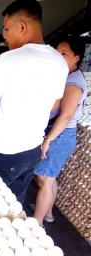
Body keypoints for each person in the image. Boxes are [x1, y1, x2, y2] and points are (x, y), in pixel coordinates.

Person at [0, 0, 69, 203]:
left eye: (6, 29)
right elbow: (53, 106)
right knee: (11, 209)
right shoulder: (59, 61)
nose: (4, 36)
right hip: (32, 151)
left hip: (4, 152)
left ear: (22, 27)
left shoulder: (8, 60)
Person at [32, 37, 87, 227]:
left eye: (64, 54)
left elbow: (65, 116)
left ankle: (37, 223)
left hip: (61, 134)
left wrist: (48, 139)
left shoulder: (73, 83)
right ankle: (47, 212)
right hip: (59, 133)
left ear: (77, 57)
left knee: (44, 179)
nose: (58, 57)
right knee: (49, 176)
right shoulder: (65, 75)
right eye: (57, 52)